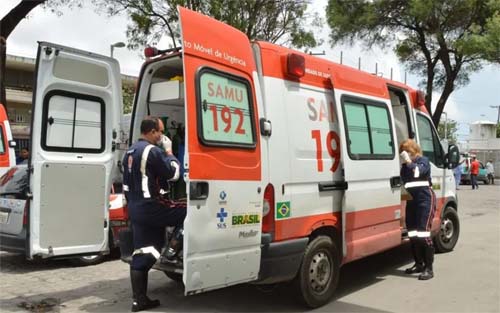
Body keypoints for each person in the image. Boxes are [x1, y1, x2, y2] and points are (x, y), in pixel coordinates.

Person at [122, 116, 186, 312]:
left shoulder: (129, 152)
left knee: (144, 252)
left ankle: (139, 300)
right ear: (151, 132)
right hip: (152, 207)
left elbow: (126, 185)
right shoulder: (153, 151)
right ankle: (172, 252)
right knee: (189, 213)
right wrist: (169, 151)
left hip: (136, 208)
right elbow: (174, 174)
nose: (162, 135)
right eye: (160, 131)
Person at [400, 139, 436, 280]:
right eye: (404, 152)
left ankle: (429, 268)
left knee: (423, 233)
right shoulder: (405, 166)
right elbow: (405, 180)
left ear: (414, 151)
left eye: (408, 151)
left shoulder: (423, 160)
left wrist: (409, 162)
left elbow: (418, 172)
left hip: (425, 199)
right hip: (412, 200)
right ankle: (418, 264)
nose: (405, 154)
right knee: (413, 234)